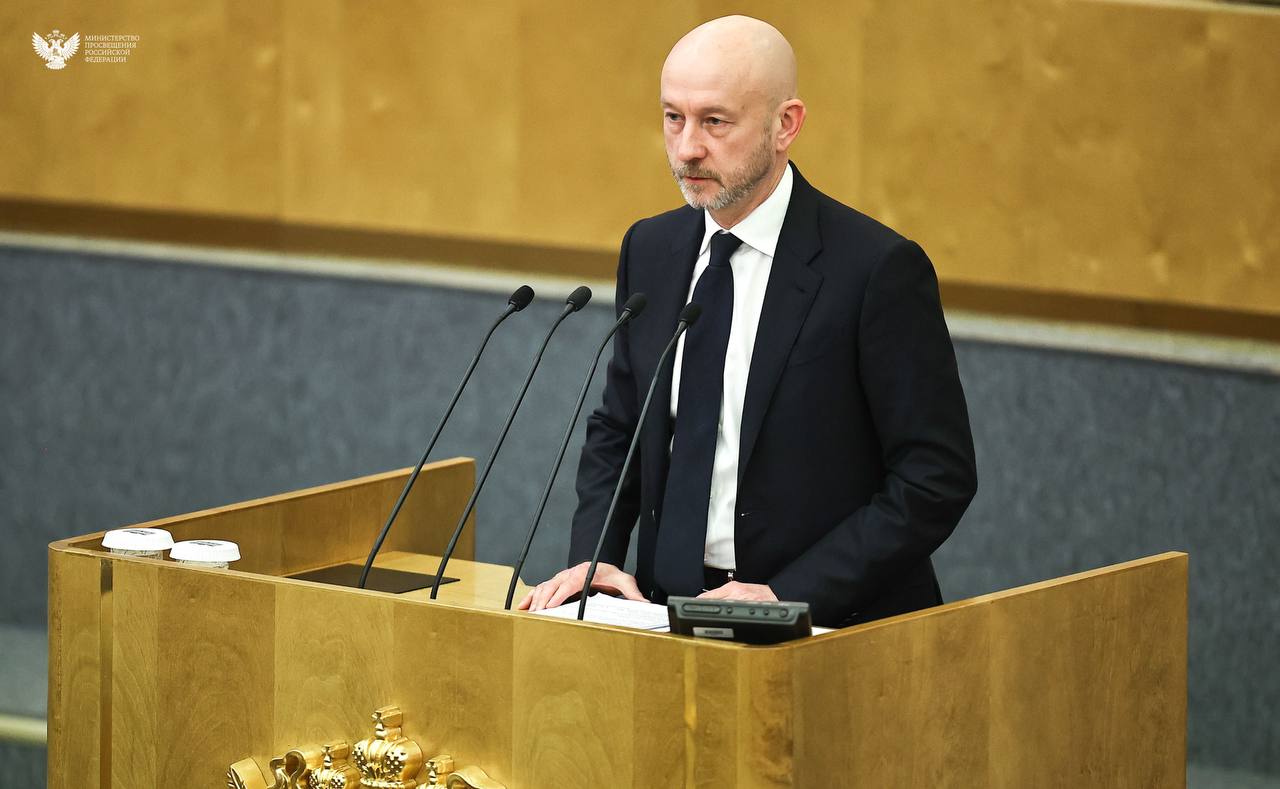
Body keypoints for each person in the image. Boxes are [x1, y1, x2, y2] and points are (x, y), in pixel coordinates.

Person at [519, 15, 977, 627]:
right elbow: (621, 426)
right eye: (673, 117)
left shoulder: (875, 269)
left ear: (785, 125)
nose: (687, 148)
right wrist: (594, 556)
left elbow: (934, 477)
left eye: (715, 121)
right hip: (665, 614)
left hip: (829, 627)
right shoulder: (650, 249)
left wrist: (788, 593)